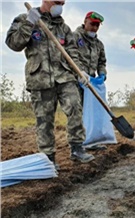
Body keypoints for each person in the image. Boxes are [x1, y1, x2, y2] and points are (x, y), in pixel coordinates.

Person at [5, 0, 95, 170]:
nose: (60, 5)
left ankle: (77, 147)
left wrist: (80, 72)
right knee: (44, 120)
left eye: (62, 3)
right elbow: (13, 44)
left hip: (64, 76)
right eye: (56, 2)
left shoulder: (64, 28)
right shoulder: (25, 18)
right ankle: (48, 157)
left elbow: (72, 52)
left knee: (75, 106)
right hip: (40, 78)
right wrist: (29, 23)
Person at [73, 11, 109, 150]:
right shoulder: (75, 37)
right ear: (85, 21)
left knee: (92, 113)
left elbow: (102, 62)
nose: (94, 28)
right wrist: (79, 73)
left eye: (97, 26)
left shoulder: (99, 44)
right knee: (78, 112)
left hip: (91, 83)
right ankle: (79, 143)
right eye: (92, 24)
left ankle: (91, 141)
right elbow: (71, 56)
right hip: (76, 80)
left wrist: (102, 74)